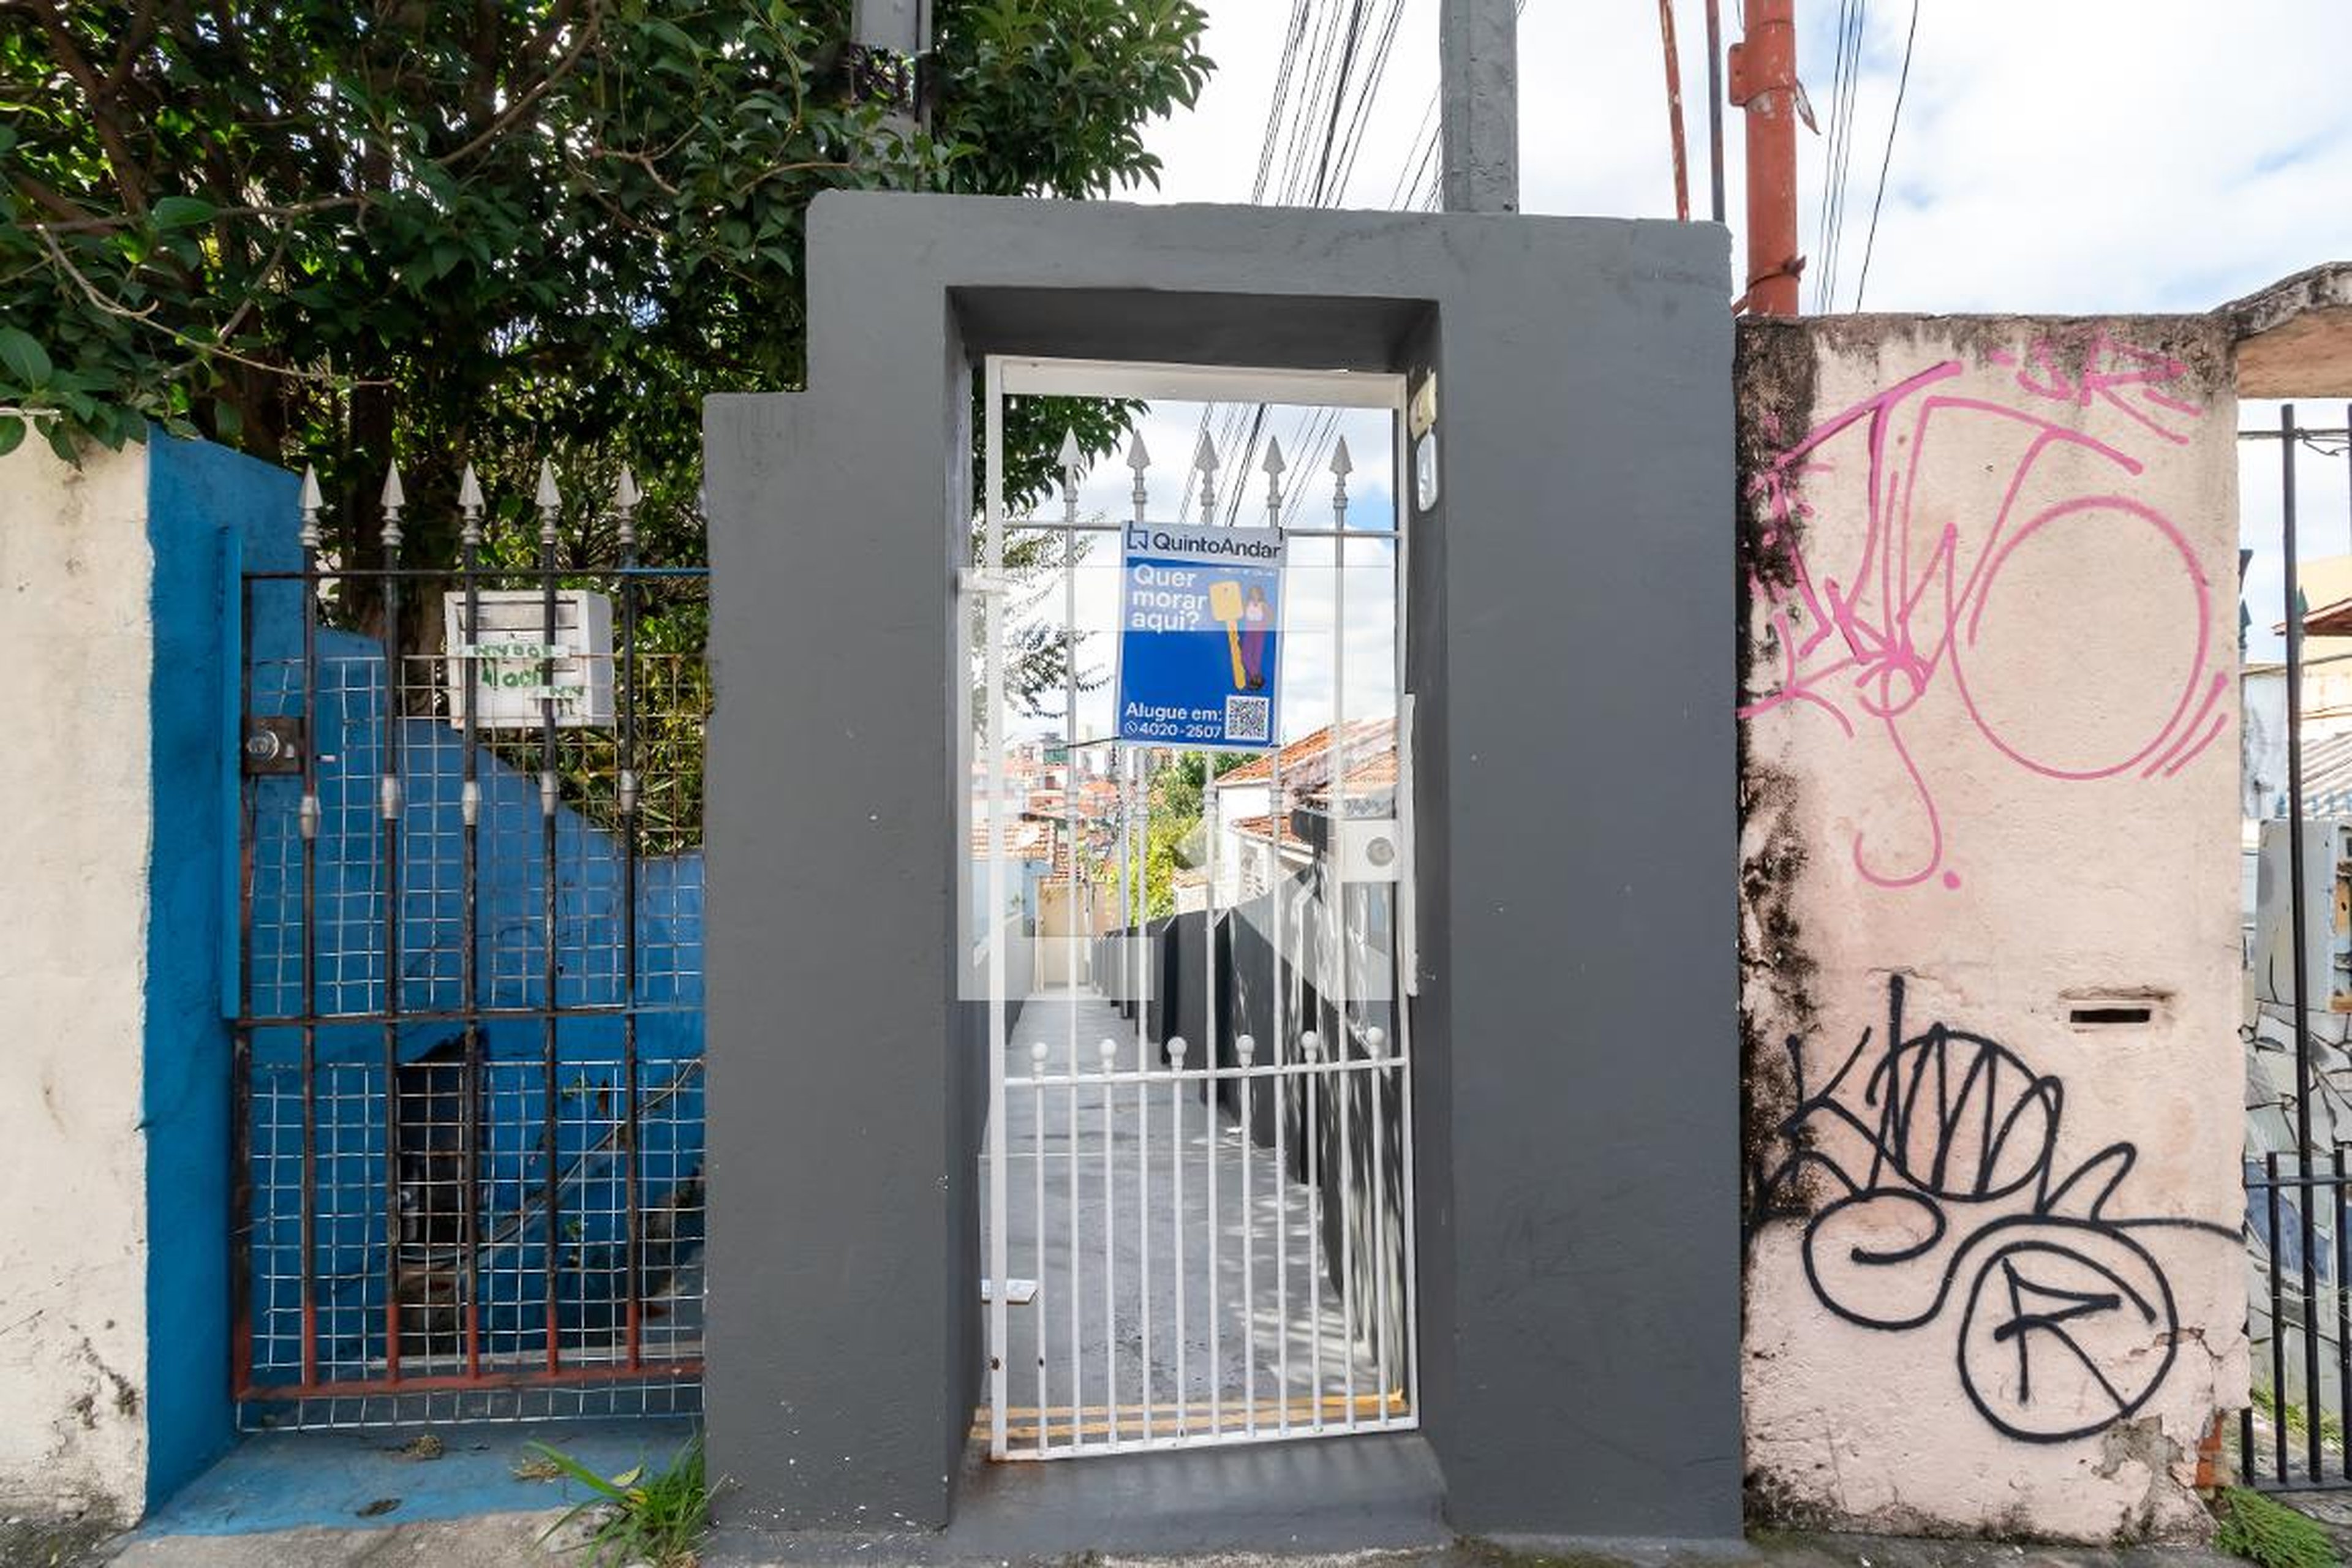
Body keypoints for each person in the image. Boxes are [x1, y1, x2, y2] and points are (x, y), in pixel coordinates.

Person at [1238, 583, 1272, 690]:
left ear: (1260, 594)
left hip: (1259, 630)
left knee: (1256, 657)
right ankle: (1257, 678)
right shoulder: (1247, 604)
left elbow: (1270, 618)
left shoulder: (1264, 605)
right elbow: (1240, 614)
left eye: (1256, 593)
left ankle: (1253, 681)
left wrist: (1265, 623)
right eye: (1253, 593)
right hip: (1249, 629)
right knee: (1245, 657)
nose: (1255, 595)